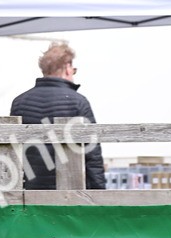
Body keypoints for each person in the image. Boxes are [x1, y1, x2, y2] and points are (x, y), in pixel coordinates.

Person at [9, 41, 107, 190]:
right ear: (67, 68)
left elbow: (12, 153)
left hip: (30, 193)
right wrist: (98, 192)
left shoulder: (19, 103)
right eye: (74, 70)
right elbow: (92, 155)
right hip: (71, 193)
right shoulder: (78, 102)